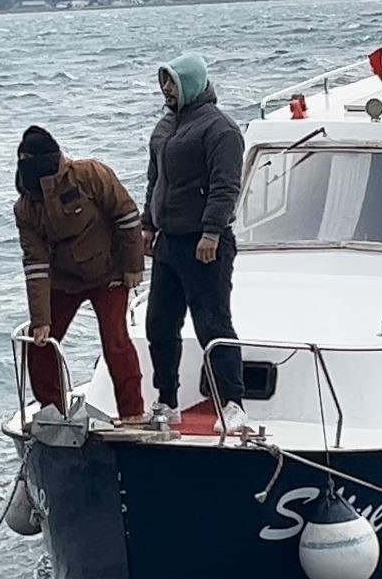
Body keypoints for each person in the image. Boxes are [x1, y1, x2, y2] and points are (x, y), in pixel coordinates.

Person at [142, 53, 247, 434]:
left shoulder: (221, 130)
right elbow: (154, 181)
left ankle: (233, 403)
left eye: (171, 82)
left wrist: (211, 232)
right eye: (163, 82)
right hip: (168, 241)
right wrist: (147, 225)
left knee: (213, 324)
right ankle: (167, 400)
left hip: (206, 244)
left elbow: (226, 186)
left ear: (191, 83)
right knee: (159, 325)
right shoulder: (165, 127)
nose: (165, 90)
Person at [15, 126, 147, 423]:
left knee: (115, 340)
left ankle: (133, 413)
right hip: (64, 280)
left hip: (109, 273)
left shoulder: (90, 174)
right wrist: (41, 321)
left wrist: (133, 266)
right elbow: (35, 264)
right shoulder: (25, 207)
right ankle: (52, 411)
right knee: (39, 343)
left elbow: (126, 216)